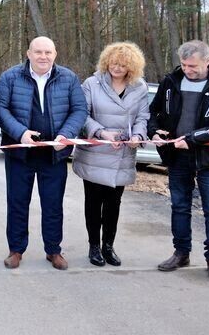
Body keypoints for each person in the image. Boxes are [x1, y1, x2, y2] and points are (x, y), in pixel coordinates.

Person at [149, 40, 209, 282]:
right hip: (176, 156)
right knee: (179, 207)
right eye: (184, 64)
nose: (188, 69)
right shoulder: (170, 81)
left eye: (193, 66)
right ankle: (181, 252)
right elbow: (154, 112)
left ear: (207, 61)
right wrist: (154, 132)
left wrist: (192, 139)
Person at [0, 36, 87, 270]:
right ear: (28, 54)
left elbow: (79, 109)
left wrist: (65, 135)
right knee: (17, 202)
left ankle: (53, 250)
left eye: (48, 52)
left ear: (55, 54)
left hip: (54, 154)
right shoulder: (10, 77)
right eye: (38, 52)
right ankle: (16, 250)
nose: (43, 57)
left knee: (53, 203)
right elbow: (0, 109)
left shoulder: (68, 78)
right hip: (21, 153)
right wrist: (20, 133)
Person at [72, 42, 149, 267]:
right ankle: (94, 246)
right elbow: (81, 115)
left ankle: (109, 246)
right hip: (96, 152)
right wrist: (101, 132)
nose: (117, 68)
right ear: (107, 62)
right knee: (94, 203)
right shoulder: (91, 84)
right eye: (114, 63)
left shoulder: (140, 87)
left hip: (123, 155)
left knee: (114, 203)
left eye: (123, 64)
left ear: (131, 67)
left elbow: (142, 117)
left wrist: (138, 136)